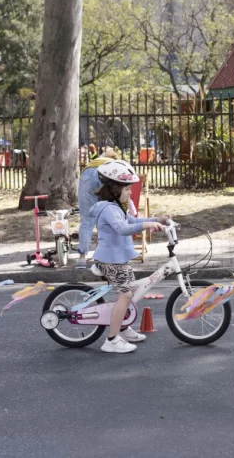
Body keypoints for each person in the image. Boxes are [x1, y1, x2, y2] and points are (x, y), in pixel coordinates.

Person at [88, 161, 170, 354]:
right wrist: (147, 226)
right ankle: (111, 339)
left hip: (118, 258)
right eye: (127, 189)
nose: (130, 193)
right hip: (110, 259)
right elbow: (123, 229)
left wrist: (156, 219)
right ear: (115, 189)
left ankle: (122, 328)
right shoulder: (108, 209)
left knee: (130, 292)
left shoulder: (116, 207)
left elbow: (131, 220)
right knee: (124, 295)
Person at [76, 148, 130, 269]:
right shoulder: (114, 165)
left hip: (86, 177)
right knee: (108, 217)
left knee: (86, 221)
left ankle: (81, 258)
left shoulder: (96, 160)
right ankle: (105, 256)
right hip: (104, 178)